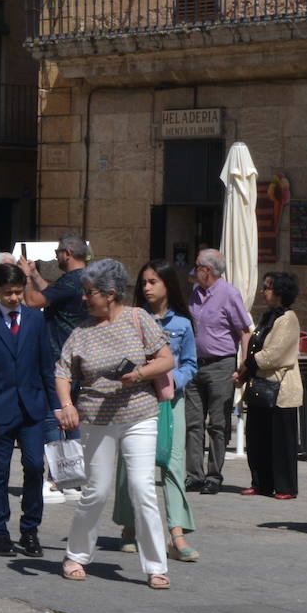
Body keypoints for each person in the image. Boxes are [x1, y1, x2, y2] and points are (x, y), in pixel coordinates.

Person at [56, 259, 174, 589]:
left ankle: (155, 566)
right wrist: (66, 405)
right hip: (96, 419)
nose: (84, 299)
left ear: (109, 294)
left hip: (139, 414)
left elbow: (167, 359)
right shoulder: (80, 332)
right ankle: (75, 555)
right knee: (96, 491)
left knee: (141, 487)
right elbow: (63, 372)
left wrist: (138, 374)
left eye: (89, 293)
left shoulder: (139, 318)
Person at [0, 264, 59, 556]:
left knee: (35, 466)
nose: (13, 298)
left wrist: (57, 406)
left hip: (32, 407)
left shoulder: (35, 320)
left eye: (19, 292)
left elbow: (47, 367)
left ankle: (30, 530)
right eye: (8, 293)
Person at [114, 261, 199, 561]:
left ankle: (176, 533)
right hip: (135, 401)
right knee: (130, 466)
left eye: (153, 281)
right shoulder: (131, 319)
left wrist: (173, 381)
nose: (147, 287)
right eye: (144, 282)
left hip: (169, 400)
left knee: (173, 464)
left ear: (167, 285)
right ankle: (129, 527)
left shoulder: (183, 324)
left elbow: (190, 363)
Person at [185, 248, 252, 495]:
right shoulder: (195, 293)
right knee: (193, 423)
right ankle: (194, 475)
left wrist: (244, 365)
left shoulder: (229, 294)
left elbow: (244, 332)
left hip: (221, 365)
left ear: (207, 270)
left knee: (218, 423)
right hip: (194, 365)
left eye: (197, 266)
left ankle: (213, 476)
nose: (193, 271)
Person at [239, 272, 301, 501]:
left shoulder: (288, 318)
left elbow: (274, 355)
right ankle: (261, 483)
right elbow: (256, 347)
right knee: (257, 437)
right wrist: (244, 369)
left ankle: (285, 486)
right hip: (260, 385)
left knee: (281, 440)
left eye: (267, 287)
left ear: (280, 292)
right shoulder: (267, 317)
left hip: (281, 388)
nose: (263, 292)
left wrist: (247, 366)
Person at [19, 233, 89, 357]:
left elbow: (32, 301)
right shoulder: (87, 276)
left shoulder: (70, 281)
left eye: (57, 252)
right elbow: (52, 294)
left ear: (67, 253)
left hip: (62, 352)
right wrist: (34, 273)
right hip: (80, 347)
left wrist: (26, 276)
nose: (56, 256)